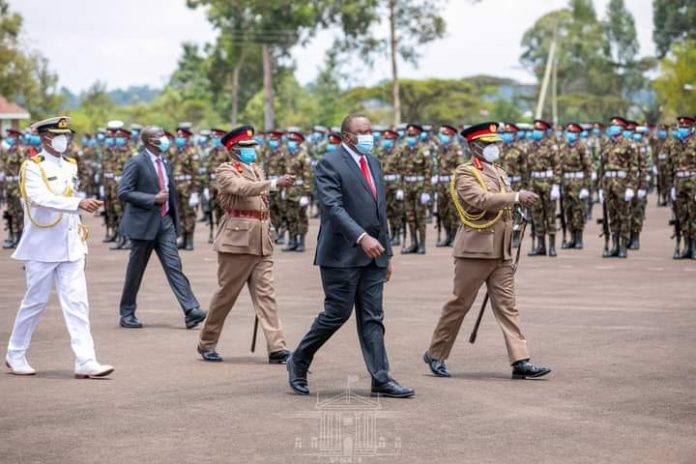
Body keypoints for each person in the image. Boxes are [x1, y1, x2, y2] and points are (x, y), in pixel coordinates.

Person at [287, 113, 414, 399]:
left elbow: (381, 212)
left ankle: (381, 379)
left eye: (370, 130)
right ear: (346, 136)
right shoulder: (329, 163)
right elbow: (333, 208)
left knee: (373, 317)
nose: (369, 135)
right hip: (341, 255)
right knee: (337, 314)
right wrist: (361, 237)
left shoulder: (373, 162)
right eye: (362, 131)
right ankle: (298, 359)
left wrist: (387, 254)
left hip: (374, 256)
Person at [423, 122, 551, 380]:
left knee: (507, 306)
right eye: (489, 144)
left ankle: (520, 360)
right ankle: (436, 353)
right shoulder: (466, 172)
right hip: (475, 251)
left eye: (496, 144)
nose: (494, 148)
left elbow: (502, 204)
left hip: (501, 251)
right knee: (460, 303)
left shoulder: (499, 171)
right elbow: (480, 200)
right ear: (474, 147)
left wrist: (516, 206)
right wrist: (515, 197)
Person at [5, 116, 114, 379]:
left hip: (70, 243)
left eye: (67, 136)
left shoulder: (71, 165)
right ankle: (15, 352)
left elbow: (69, 195)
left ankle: (86, 361)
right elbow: (39, 198)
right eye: (59, 136)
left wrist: (83, 201)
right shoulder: (32, 166)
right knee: (35, 302)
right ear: (45, 138)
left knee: (78, 303)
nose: (65, 140)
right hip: (42, 247)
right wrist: (77, 204)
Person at [197, 126, 294, 363]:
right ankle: (207, 342)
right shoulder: (225, 170)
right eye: (248, 147)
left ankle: (277, 347)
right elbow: (241, 188)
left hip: (261, 240)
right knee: (226, 295)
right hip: (237, 242)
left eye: (254, 147)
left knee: (266, 295)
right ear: (235, 150)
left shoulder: (257, 170)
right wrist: (272, 183)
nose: (253, 151)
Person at [116, 126, 207, 329]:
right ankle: (127, 312)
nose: (165, 139)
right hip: (143, 224)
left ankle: (191, 310)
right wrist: (152, 199)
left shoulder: (165, 162)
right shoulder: (137, 162)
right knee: (136, 271)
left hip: (164, 222)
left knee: (174, 266)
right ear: (149, 141)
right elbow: (123, 192)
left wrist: (175, 220)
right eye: (160, 136)